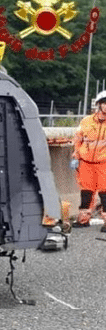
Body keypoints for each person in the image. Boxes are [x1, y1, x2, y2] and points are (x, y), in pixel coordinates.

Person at [71, 90, 106, 233]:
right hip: (86, 163)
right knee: (86, 192)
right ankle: (83, 220)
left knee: (105, 193)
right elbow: (78, 139)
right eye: (104, 103)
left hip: (103, 164)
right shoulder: (86, 121)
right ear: (99, 105)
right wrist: (76, 154)